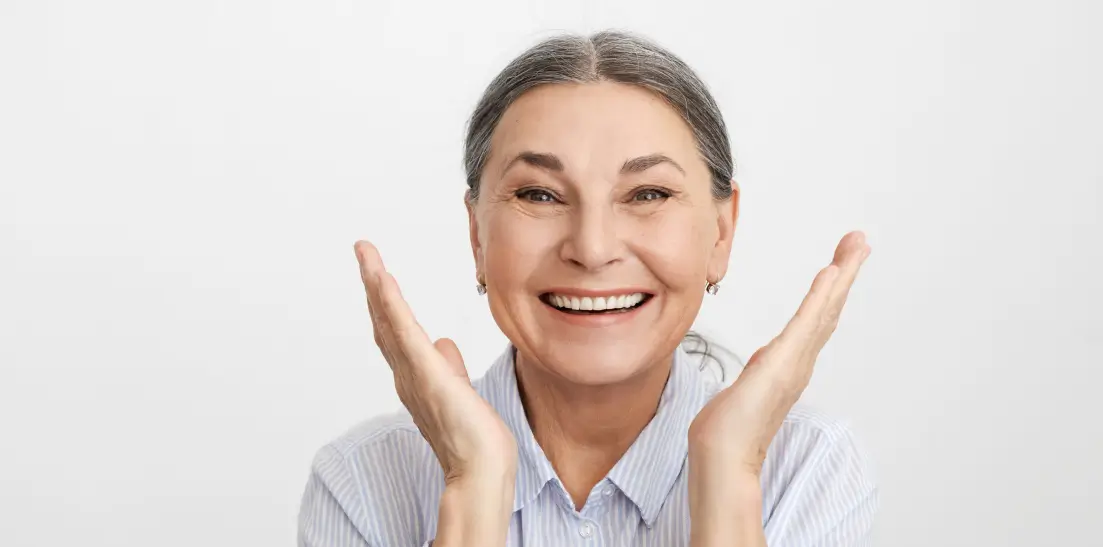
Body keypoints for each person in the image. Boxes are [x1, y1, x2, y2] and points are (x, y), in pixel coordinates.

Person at [298, 29, 877, 547]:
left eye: (648, 194)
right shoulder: (362, 481)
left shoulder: (808, 467)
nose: (593, 248)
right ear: (477, 234)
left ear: (721, 232)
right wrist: (474, 485)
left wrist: (730, 473)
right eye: (539, 195)